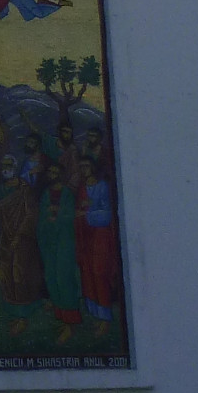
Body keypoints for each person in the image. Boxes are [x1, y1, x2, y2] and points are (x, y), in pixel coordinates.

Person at [0, 152, 46, 333]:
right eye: (4, 165)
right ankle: (15, 313)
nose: (6, 168)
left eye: (9, 165)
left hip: (23, 239)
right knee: (6, 273)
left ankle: (23, 317)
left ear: (15, 168)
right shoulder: (0, 189)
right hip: (6, 237)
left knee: (20, 273)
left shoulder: (24, 188)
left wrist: (20, 234)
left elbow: (31, 214)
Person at [76, 132, 121, 337]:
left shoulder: (102, 187)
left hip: (101, 237)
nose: (84, 170)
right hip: (86, 237)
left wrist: (88, 212)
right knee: (88, 274)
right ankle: (95, 314)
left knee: (99, 273)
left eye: (86, 166)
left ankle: (105, 318)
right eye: (81, 166)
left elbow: (108, 214)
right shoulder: (82, 188)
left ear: (93, 167)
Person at [37, 148, 83, 340]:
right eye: (50, 172)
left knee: (64, 280)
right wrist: (48, 219)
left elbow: (71, 215)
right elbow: (41, 219)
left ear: (61, 176)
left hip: (64, 243)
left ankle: (71, 323)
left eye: (55, 173)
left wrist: (58, 215)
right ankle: (62, 318)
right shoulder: (46, 194)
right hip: (50, 244)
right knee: (52, 278)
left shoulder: (67, 194)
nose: (52, 175)